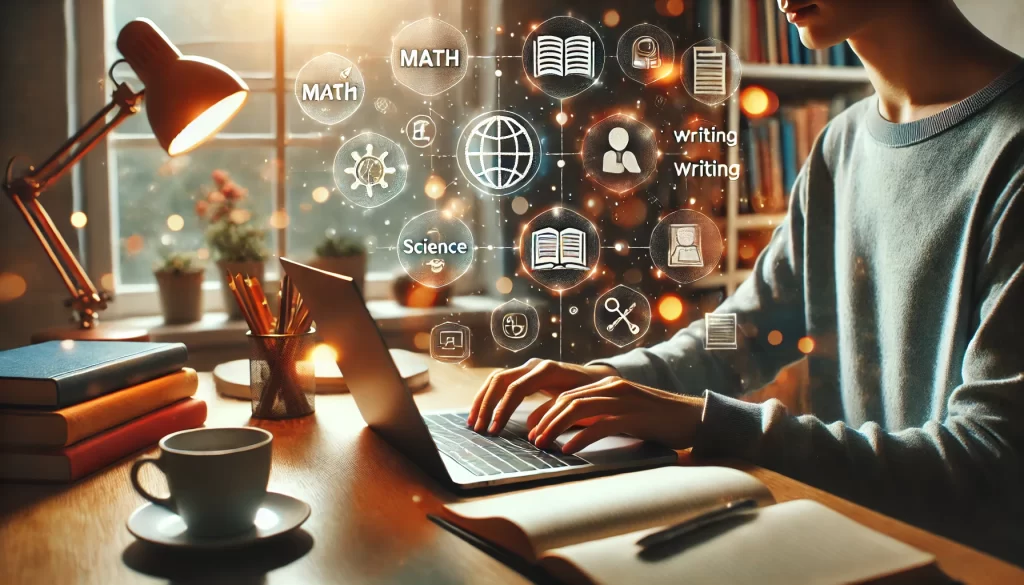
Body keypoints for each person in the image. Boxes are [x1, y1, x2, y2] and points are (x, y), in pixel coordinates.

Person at [469, 0, 1024, 565]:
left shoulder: (1013, 148)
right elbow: (751, 329)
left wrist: (708, 421)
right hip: (857, 544)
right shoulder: (843, 143)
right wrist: (604, 381)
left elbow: (991, 465)